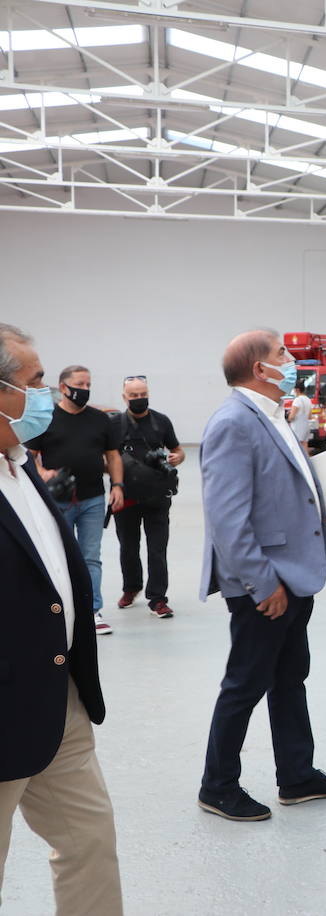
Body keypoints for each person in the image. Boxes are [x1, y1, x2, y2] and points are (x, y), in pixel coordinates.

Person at [198, 329, 326, 822]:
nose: (290, 361)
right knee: (245, 684)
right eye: (281, 355)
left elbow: (276, 483)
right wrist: (262, 585)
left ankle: (297, 775)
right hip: (266, 582)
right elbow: (227, 519)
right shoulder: (233, 422)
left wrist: (314, 506)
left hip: (294, 573)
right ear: (257, 369)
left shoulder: (272, 414)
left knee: (290, 677)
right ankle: (217, 785)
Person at [0, 323, 123, 914]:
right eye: (35, 382)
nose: (46, 394)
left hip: (60, 703)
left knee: (90, 846)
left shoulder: (20, 465)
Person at [26, 364, 124, 635]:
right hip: (58, 501)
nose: (85, 390)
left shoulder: (100, 419)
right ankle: (66, 609)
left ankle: (93, 610)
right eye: (80, 385)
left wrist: (117, 485)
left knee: (91, 557)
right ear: (64, 387)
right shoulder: (46, 418)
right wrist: (44, 473)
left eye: (88, 385)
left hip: (93, 499)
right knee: (62, 557)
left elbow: (113, 455)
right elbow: (32, 455)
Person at [113, 375, 185, 619]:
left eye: (142, 394)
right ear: (125, 397)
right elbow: (107, 458)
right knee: (128, 548)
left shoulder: (161, 422)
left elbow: (178, 450)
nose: (139, 399)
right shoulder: (115, 425)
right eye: (133, 395)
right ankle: (131, 588)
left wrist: (177, 458)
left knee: (157, 549)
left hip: (157, 495)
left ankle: (158, 598)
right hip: (126, 496)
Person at [286, 381, 312, 450]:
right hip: (306, 426)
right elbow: (310, 416)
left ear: (297, 390)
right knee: (305, 446)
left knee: (297, 447)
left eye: (294, 389)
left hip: (297, 427)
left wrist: (288, 417)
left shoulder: (297, 400)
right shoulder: (308, 400)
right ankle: (307, 460)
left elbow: (291, 417)